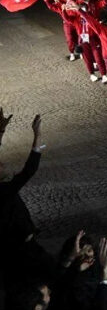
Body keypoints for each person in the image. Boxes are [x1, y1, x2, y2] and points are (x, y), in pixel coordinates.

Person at [0, 112, 55, 282]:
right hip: (22, 249)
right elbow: (29, 170)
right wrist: (37, 134)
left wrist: (1, 131)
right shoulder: (4, 192)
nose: (4, 163)